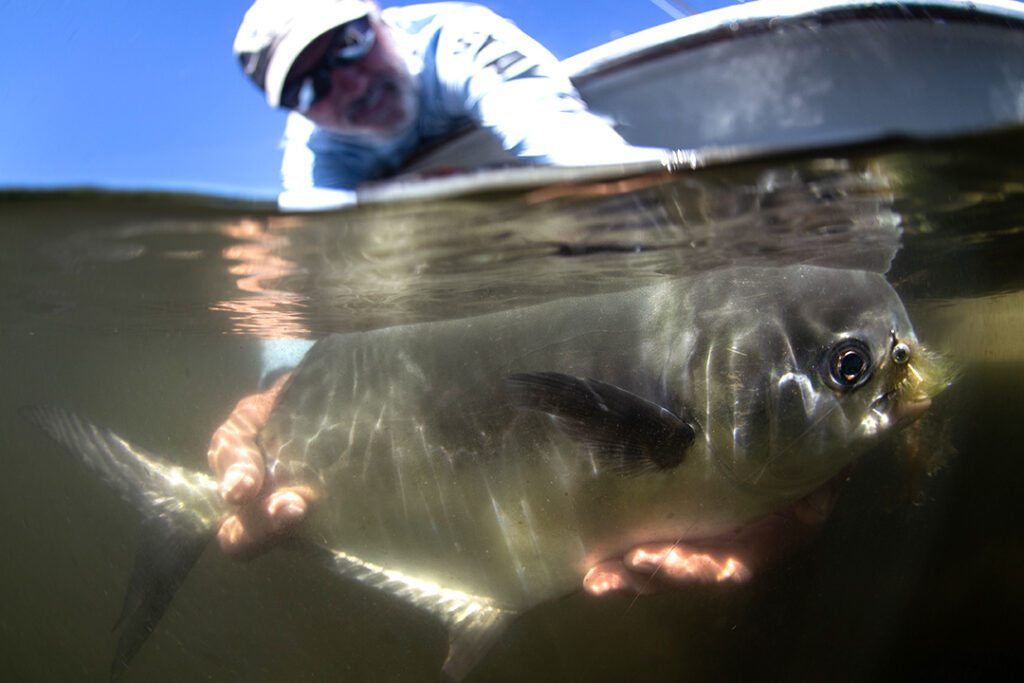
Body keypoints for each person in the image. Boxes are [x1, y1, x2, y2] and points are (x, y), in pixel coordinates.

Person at [233, 0, 666, 211]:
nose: (348, 84)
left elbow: (579, 152)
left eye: (348, 44)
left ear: (378, 16)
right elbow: (311, 264)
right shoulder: (314, 152)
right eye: (309, 88)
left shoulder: (458, 42)